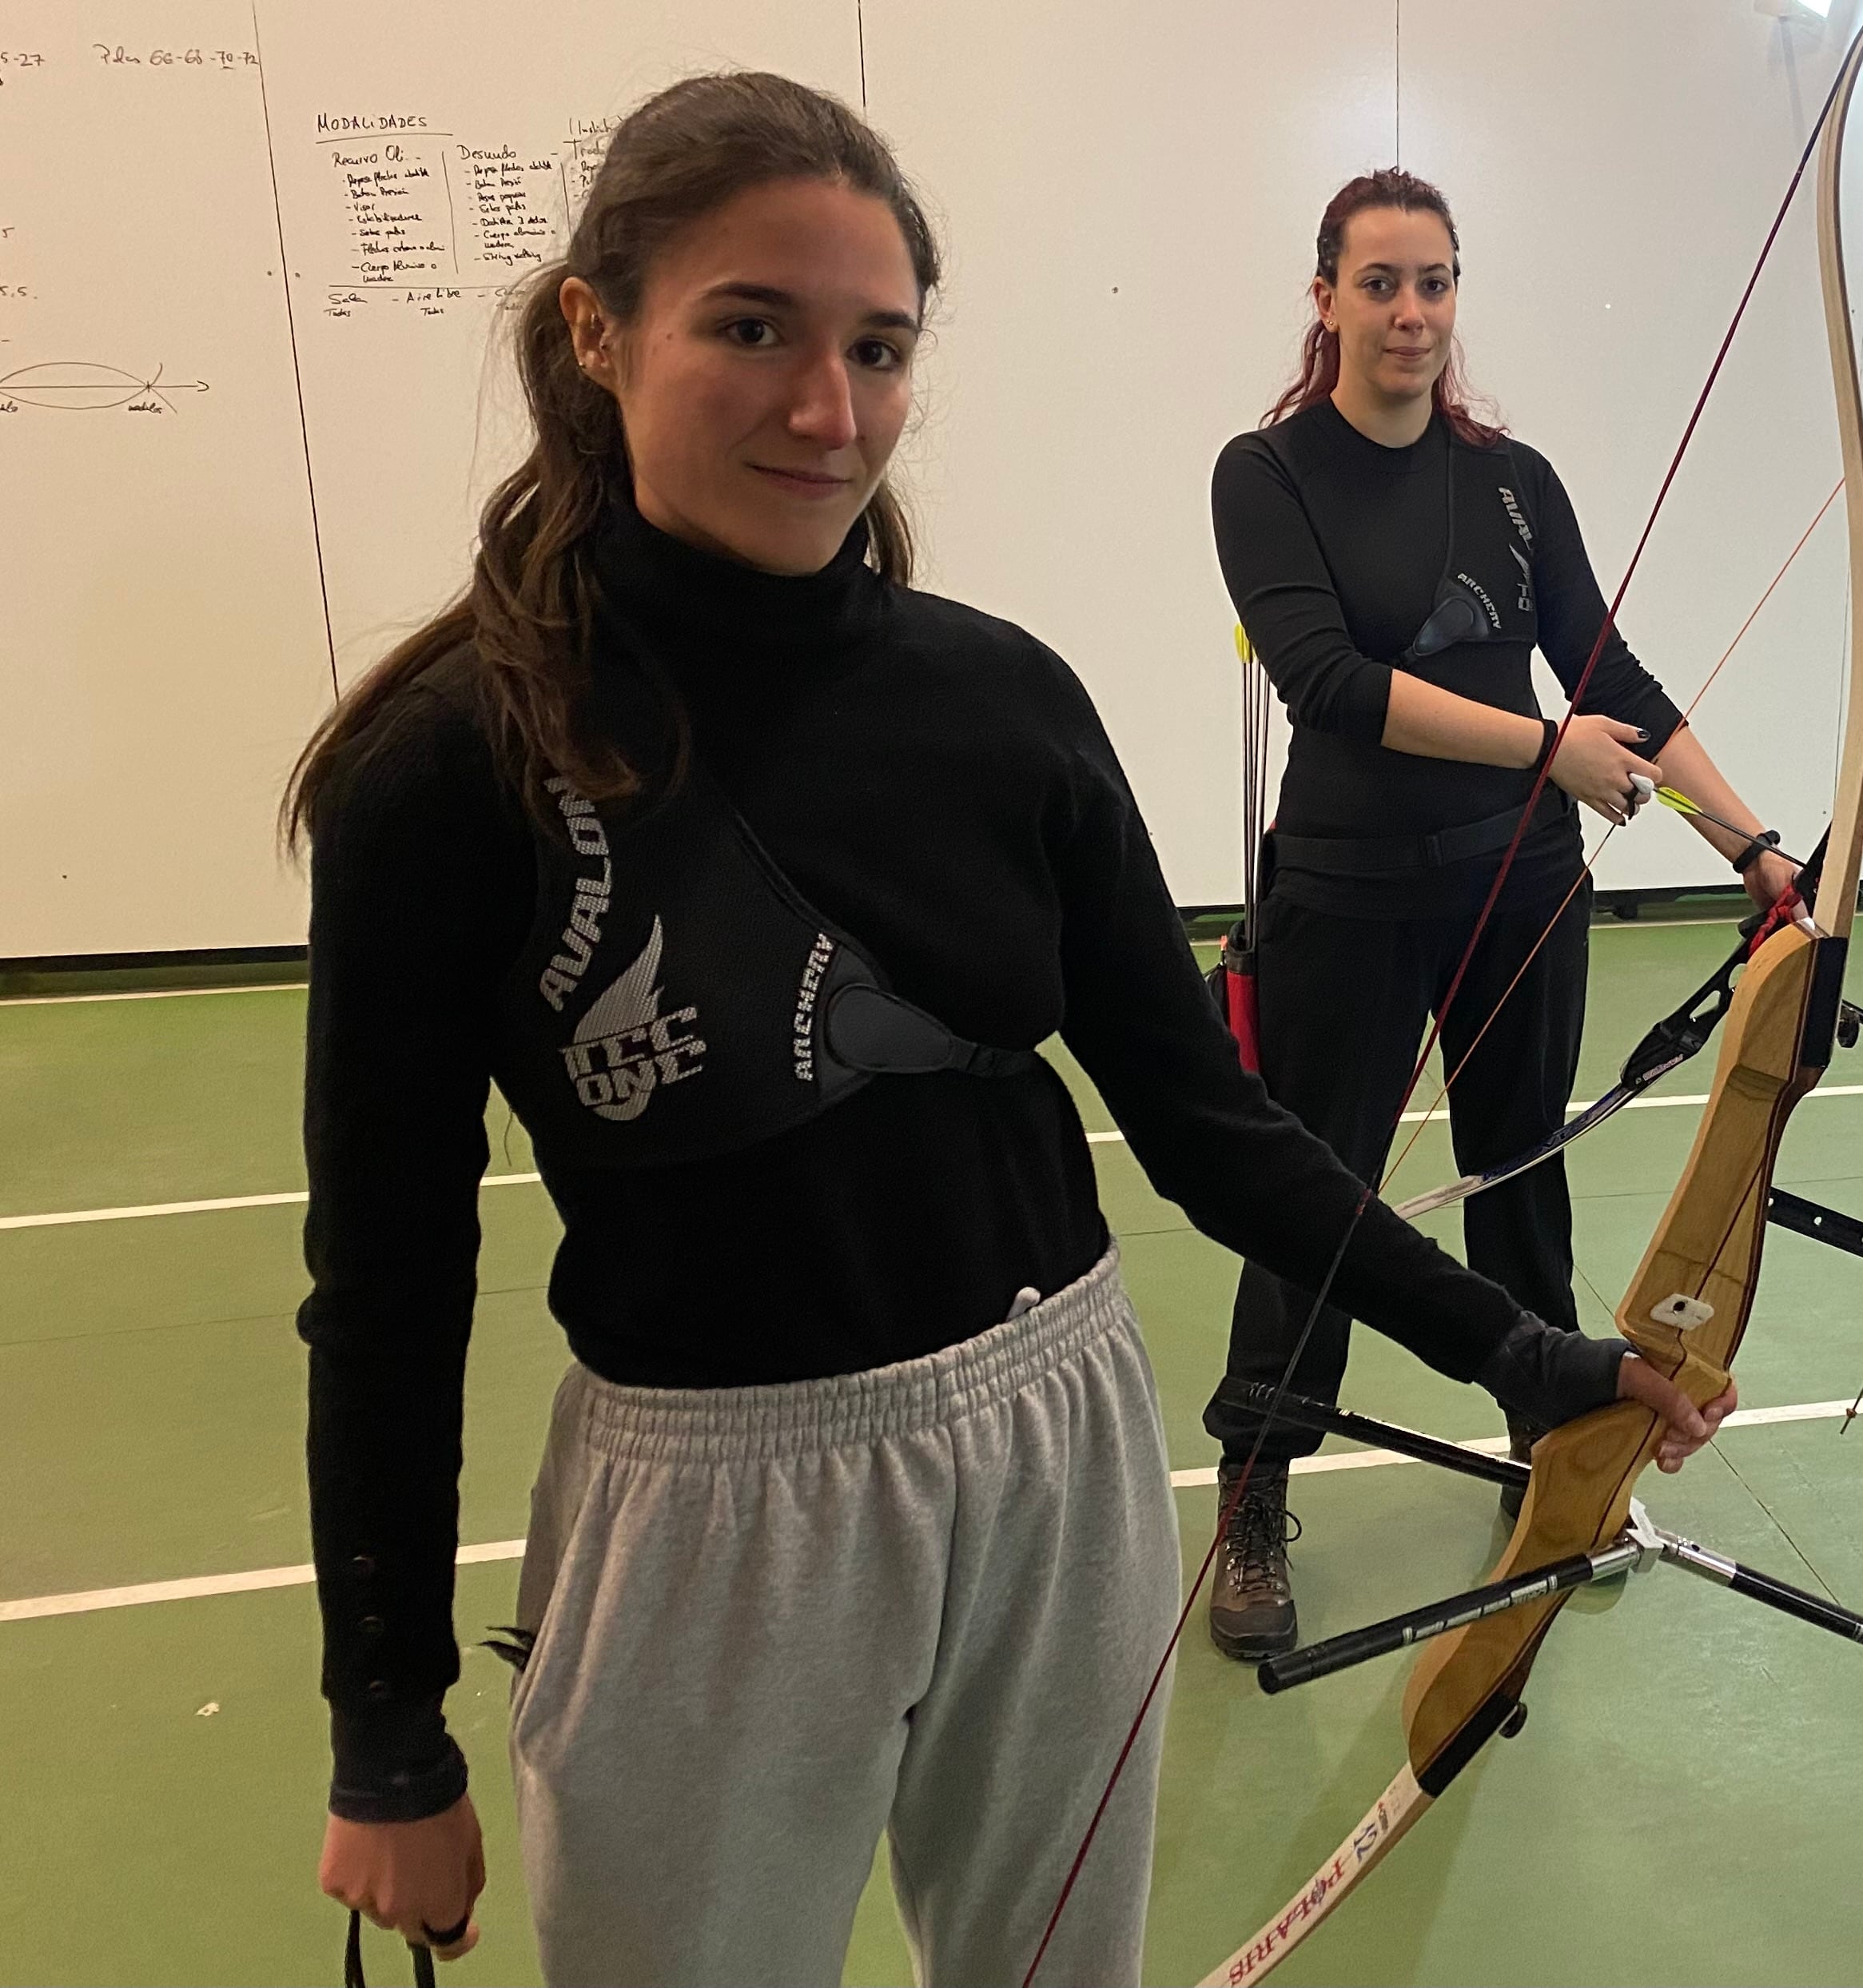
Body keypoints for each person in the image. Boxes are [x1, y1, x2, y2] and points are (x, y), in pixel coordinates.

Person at [290, 75, 1726, 1987]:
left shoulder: (1005, 706)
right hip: (713, 1516)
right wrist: (386, 1731)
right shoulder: (447, 768)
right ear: (594, 328)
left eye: (879, 349)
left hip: (1062, 1452)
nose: (831, 411)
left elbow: (1211, 1123)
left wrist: (1525, 1355)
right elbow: (386, 1281)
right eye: (752, 328)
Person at [1201, 169, 1796, 1659]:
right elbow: (1326, 682)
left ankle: (1557, 1454)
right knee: (1315, 1195)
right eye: (1382, 282)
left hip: (1518, 886)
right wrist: (1543, 748)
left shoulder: (1516, 482)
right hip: (1342, 897)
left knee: (1523, 1178)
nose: (1412, 314)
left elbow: (1608, 673)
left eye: (1437, 282)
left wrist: (1754, 848)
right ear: (1324, 294)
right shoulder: (1265, 476)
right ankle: (1259, 1481)